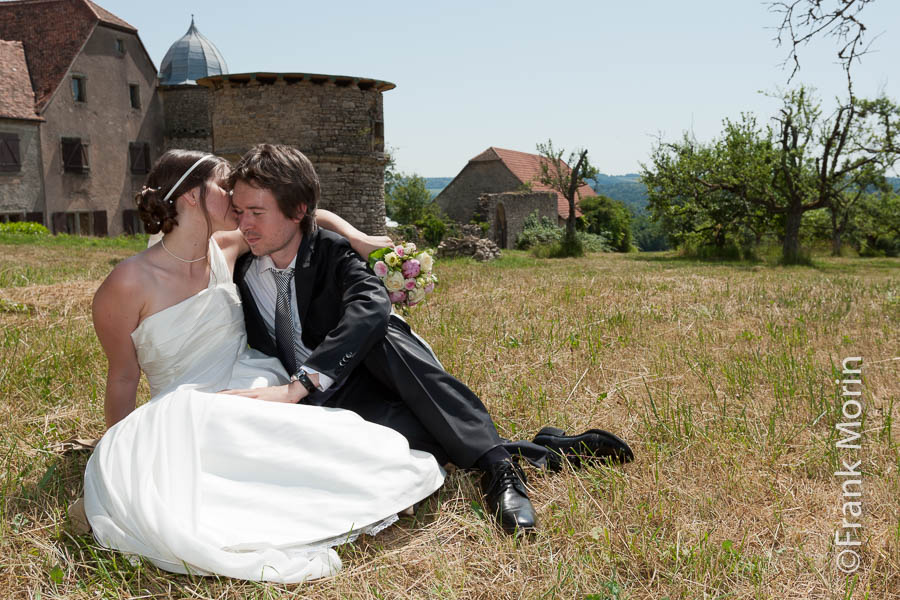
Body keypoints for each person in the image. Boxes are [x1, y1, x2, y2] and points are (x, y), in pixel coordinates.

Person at [226, 144, 634, 535]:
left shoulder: (333, 253)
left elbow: (370, 308)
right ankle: (549, 451)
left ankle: (500, 472)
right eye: (240, 211)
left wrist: (299, 386)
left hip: (375, 369)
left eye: (257, 212)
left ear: (298, 211)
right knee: (435, 437)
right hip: (337, 400)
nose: (244, 224)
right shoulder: (241, 270)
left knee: (383, 333)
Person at [83, 150, 446, 583]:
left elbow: (310, 217)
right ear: (192, 197)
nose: (235, 197)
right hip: (186, 402)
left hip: (259, 377)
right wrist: (118, 448)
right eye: (224, 187)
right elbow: (123, 376)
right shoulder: (126, 283)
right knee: (217, 450)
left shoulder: (225, 247)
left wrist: (360, 239)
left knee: (346, 442)